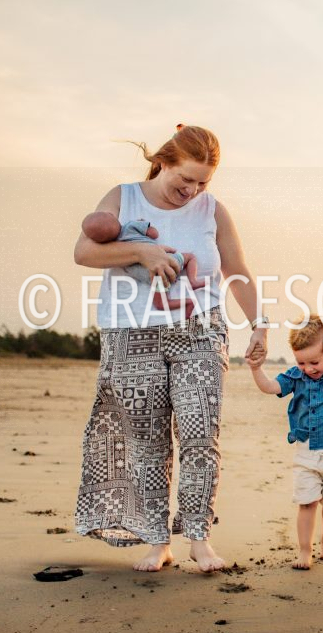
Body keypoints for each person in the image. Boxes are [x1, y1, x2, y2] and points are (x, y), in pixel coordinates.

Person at [73, 124, 268, 572]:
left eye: (202, 182)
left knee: (201, 434)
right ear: (163, 162)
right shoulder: (124, 198)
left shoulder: (212, 210)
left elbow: (237, 269)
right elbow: (83, 252)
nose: (192, 190)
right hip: (130, 333)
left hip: (200, 332)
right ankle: (157, 541)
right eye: (186, 179)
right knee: (147, 442)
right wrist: (141, 253)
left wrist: (260, 324)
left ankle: (199, 538)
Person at [249, 315, 323, 570]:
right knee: (306, 502)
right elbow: (270, 387)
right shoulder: (296, 376)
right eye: (301, 362)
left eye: (314, 362)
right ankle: (305, 550)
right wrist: (256, 368)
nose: (309, 368)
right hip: (306, 452)